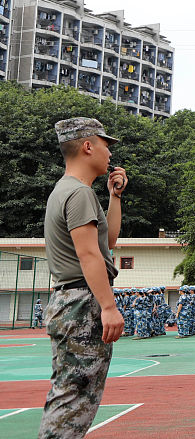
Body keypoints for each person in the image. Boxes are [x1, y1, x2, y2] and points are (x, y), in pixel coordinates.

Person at [38, 117, 128, 439]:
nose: (109, 153)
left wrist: (114, 197)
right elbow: (89, 256)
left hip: (71, 303)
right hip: (81, 304)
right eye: (105, 144)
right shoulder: (77, 194)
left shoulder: (72, 191)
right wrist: (108, 306)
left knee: (71, 395)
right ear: (87, 146)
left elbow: (108, 242)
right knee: (73, 401)